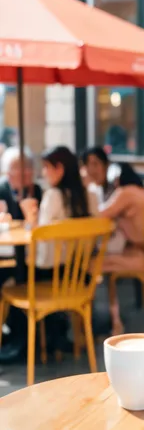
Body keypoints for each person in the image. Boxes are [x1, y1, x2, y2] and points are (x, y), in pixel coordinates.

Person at [0, 147, 42, 363]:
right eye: (18, 168)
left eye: (29, 168)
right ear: (8, 173)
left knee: (30, 277)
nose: (26, 173)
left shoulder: (40, 193)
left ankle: (32, 339)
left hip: (36, 260)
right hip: (5, 257)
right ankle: (15, 338)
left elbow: (45, 228)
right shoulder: (1, 190)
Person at [97, 163, 144, 336]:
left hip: (135, 255)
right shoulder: (140, 191)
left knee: (89, 264)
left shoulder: (126, 193)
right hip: (140, 251)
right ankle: (113, 318)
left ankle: (100, 321)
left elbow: (101, 213)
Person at [36, 146, 99, 269]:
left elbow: (41, 237)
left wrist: (31, 220)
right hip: (82, 274)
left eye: (46, 167)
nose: (43, 173)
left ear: (59, 168)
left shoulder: (53, 196)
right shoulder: (91, 196)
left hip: (53, 272)